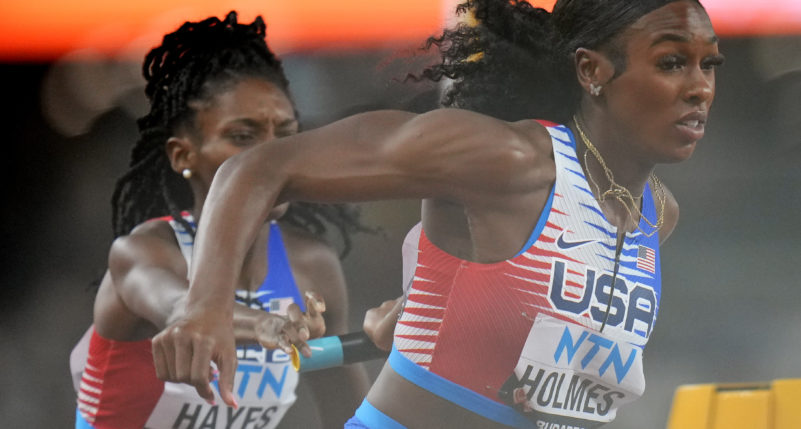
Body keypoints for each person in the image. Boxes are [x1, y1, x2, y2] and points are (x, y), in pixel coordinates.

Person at [151, 0, 724, 427]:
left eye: (709, 65)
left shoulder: (655, 215)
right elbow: (258, 168)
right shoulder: (508, 160)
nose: (700, 88)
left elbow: (532, 346)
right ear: (592, 71)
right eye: (673, 63)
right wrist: (203, 305)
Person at [70, 11, 370, 429]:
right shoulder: (144, 254)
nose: (271, 159)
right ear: (183, 155)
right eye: (243, 137)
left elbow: (353, 420)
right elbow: (182, 312)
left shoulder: (312, 269)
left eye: (284, 135)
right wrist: (267, 325)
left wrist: (401, 343)